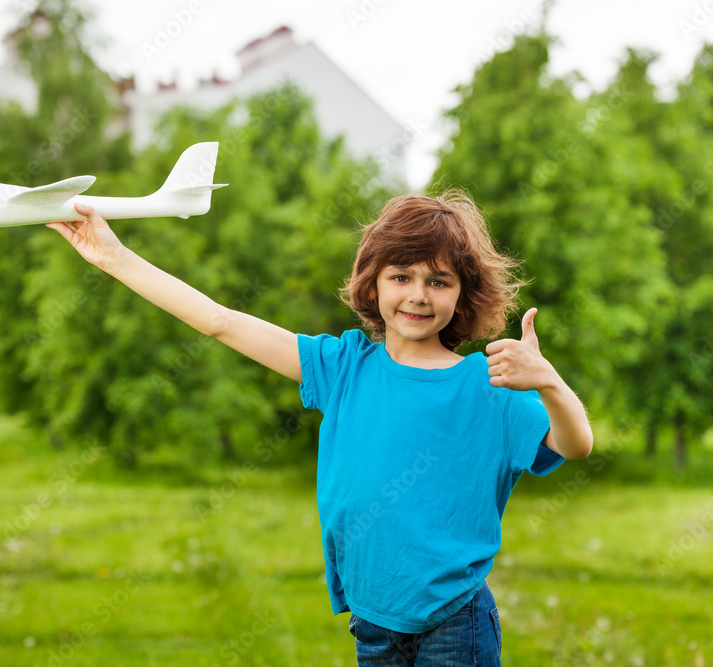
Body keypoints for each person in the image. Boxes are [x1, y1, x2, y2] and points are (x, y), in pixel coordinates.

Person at [46, 190, 593, 666]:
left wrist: (549, 383)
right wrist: (114, 257)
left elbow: (576, 444)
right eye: (401, 276)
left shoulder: (489, 383)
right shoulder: (344, 366)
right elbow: (219, 321)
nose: (418, 294)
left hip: (455, 623)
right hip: (373, 620)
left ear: (462, 293)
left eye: (438, 280)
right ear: (372, 285)